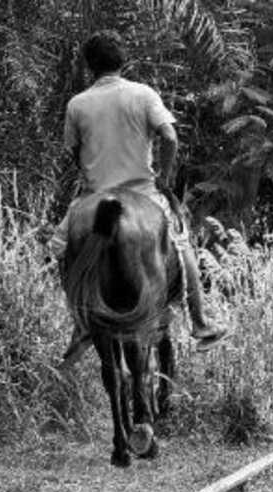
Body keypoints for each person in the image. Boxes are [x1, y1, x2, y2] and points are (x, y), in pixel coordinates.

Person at [47, 30, 225, 361]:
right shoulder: (143, 94)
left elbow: (74, 152)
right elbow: (169, 136)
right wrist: (165, 177)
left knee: (58, 250)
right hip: (143, 191)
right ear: (122, 61)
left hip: (94, 195)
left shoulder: (77, 104)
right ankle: (200, 323)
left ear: (90, 67)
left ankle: (82, 321)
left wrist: (92, 174)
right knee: (181, 244)